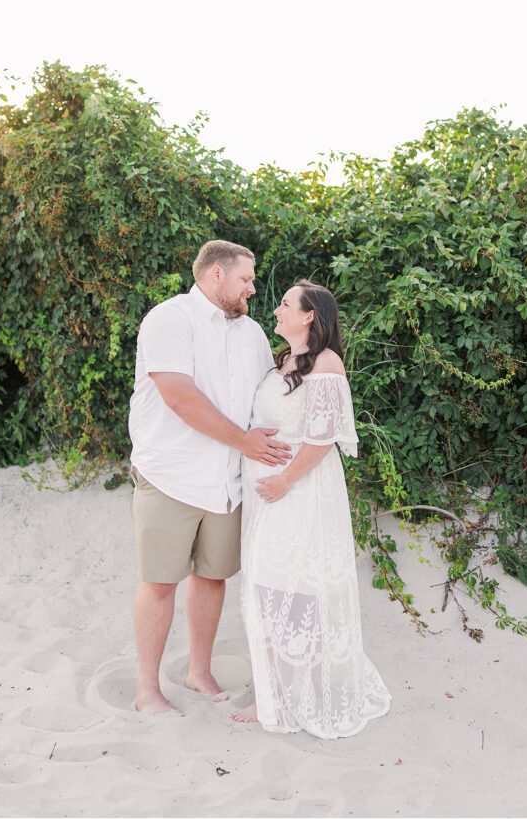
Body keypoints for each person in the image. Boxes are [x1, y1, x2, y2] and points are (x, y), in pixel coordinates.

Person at [128, 239, 292, 714]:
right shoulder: (169, 319)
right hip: (172, 475)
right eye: (246, 278)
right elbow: (179, 396)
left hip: (228, 483)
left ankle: (198, 672)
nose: (253, 289)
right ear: (216, 275)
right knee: (159, 582)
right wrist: (244, 441)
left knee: (213, 576)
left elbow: (268, 395)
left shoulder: (252, 334)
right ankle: (147, 691)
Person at [231, 279, 391, 738]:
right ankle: (276, 689)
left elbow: (322, 438)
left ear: (308, 317)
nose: (276, 309)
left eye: (285, 304)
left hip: (300, 493)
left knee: (295, 587)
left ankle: (304, 691)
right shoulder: (284, 361)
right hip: (270, 496)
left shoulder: (325, 363)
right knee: (266, 587)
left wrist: (282, 480)